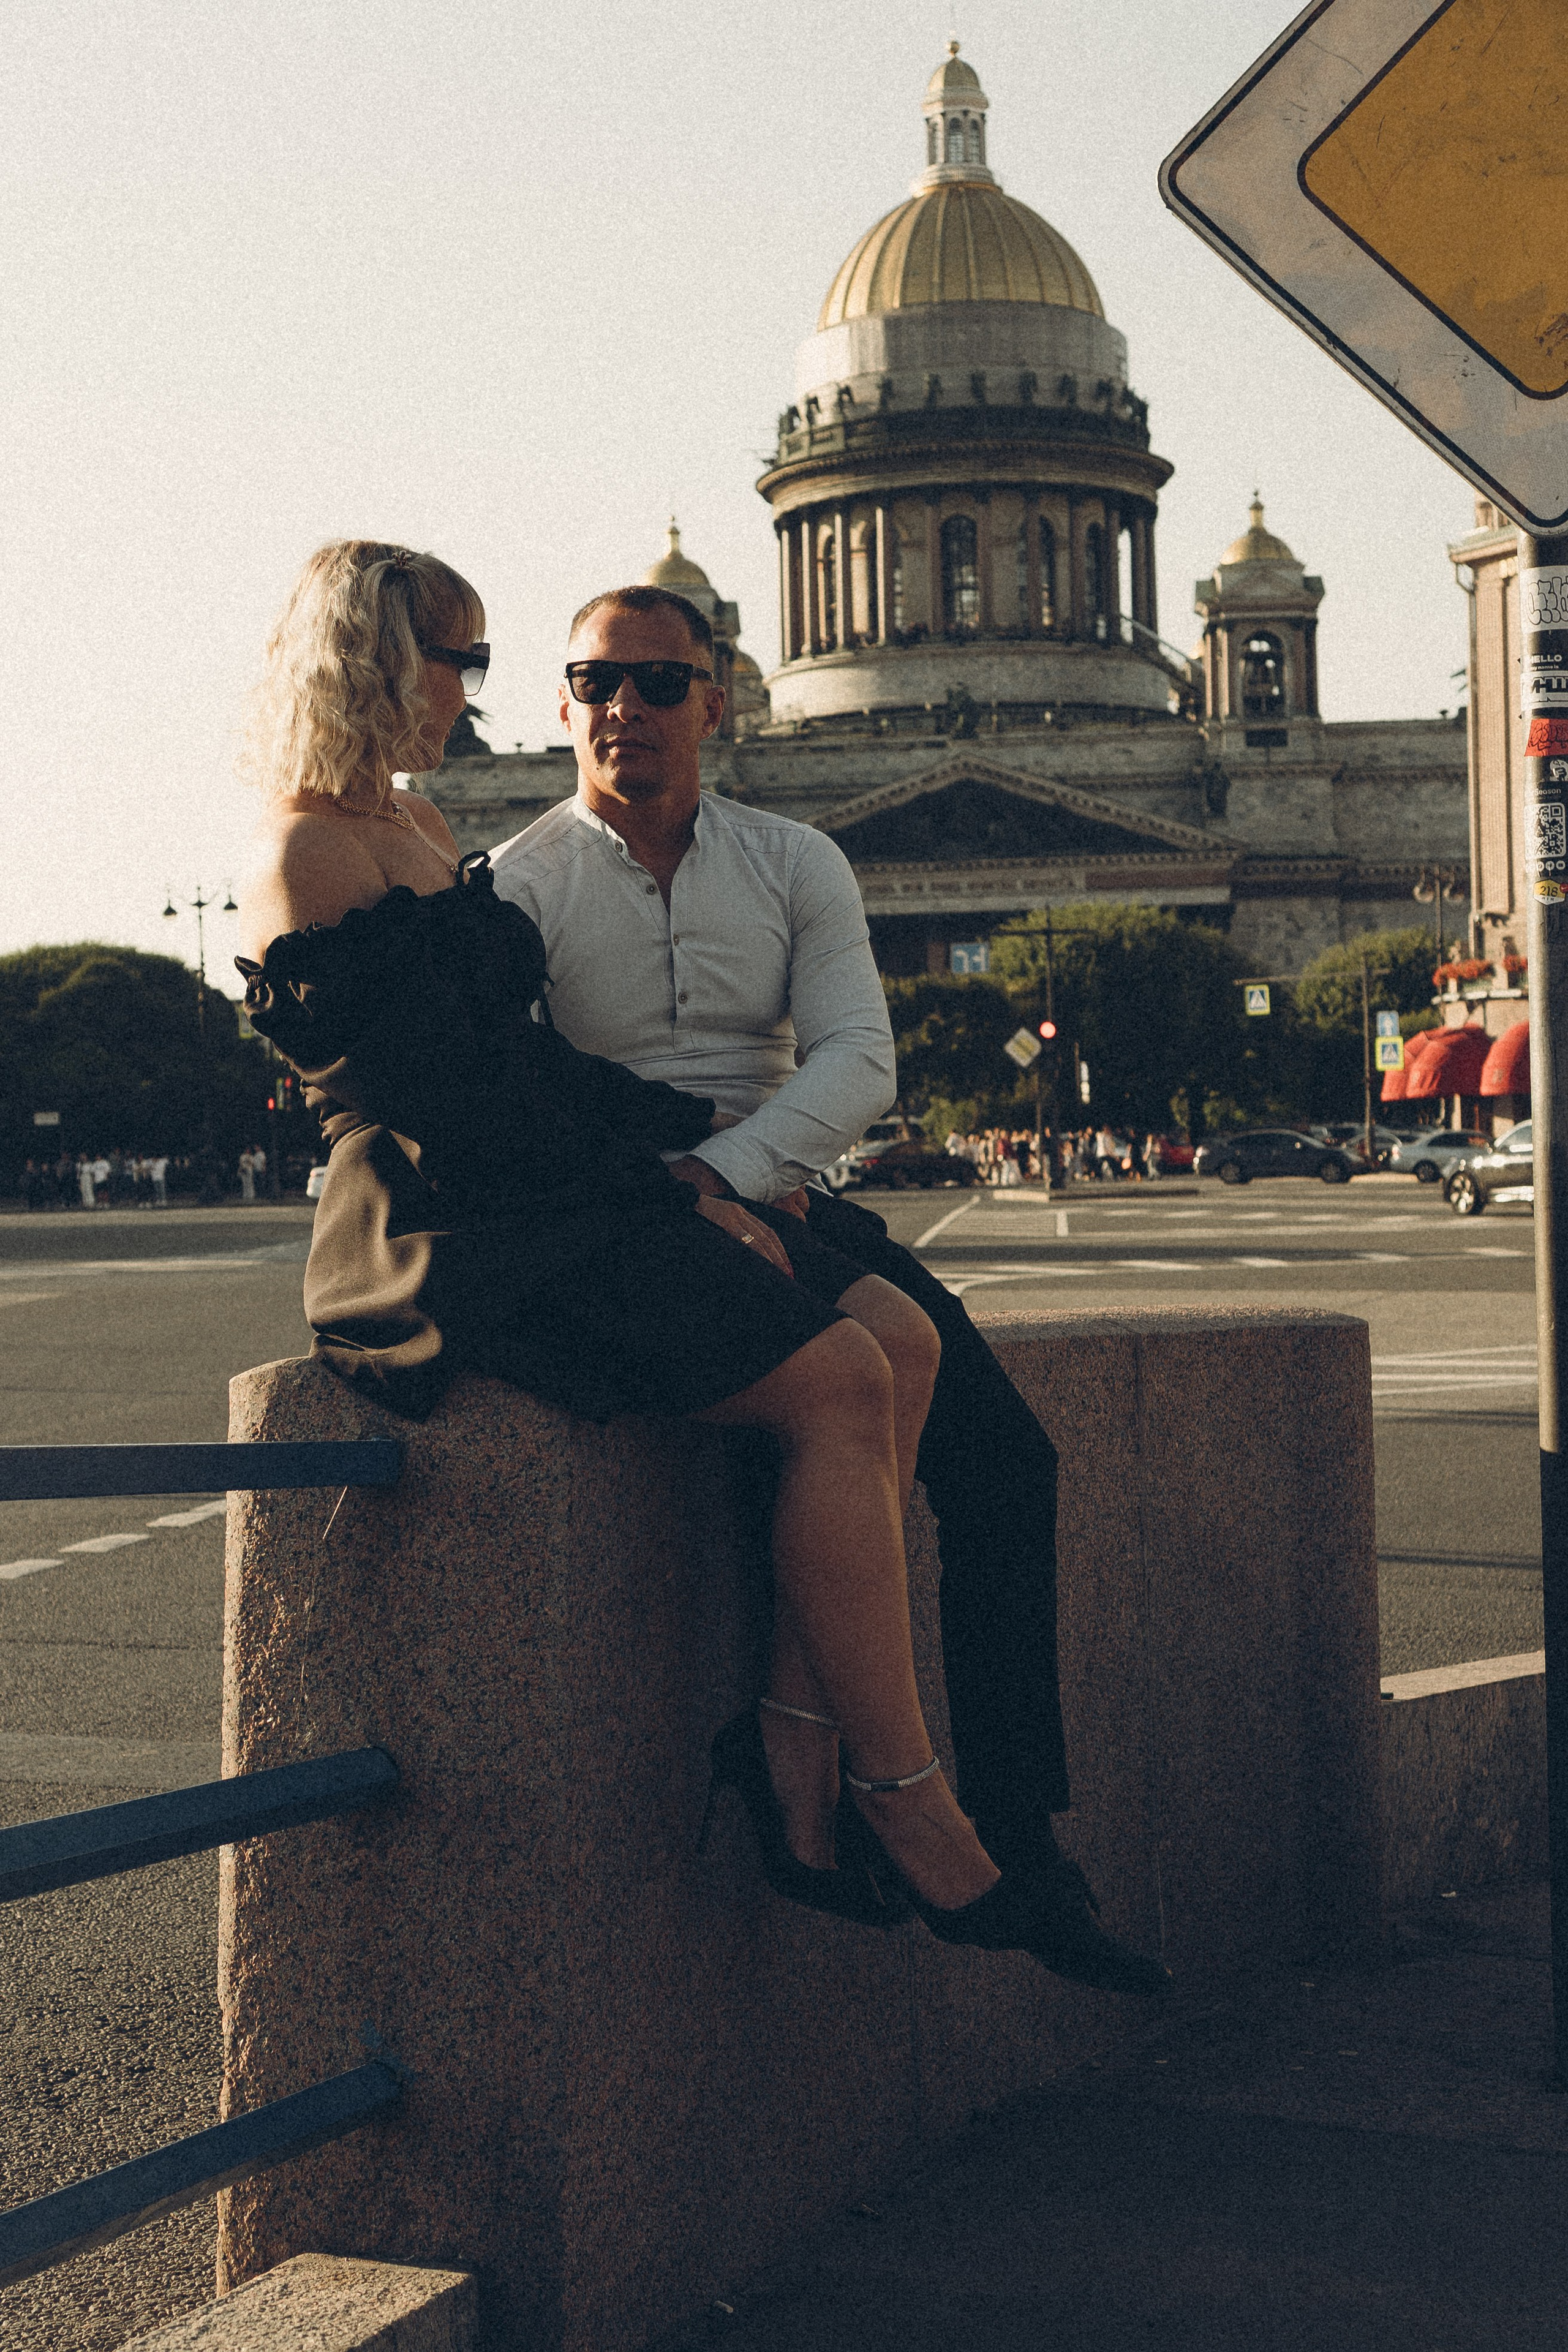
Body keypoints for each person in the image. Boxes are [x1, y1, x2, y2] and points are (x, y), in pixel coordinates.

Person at [235, 540, 1165, 1996]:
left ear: (716, 697)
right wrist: (679, 1187)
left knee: (926, 1375)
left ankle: (827, 1758)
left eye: (656, 683)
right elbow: (458, 1099)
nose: (482, 694)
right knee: (839, 1378)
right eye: (473, 663)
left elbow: (774, 1063)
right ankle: (900, 1798)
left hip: (610, 1185)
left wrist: (713, 1173)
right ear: (376, 660)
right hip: (459, 1227)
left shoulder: (430, 825)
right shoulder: (369, 855)